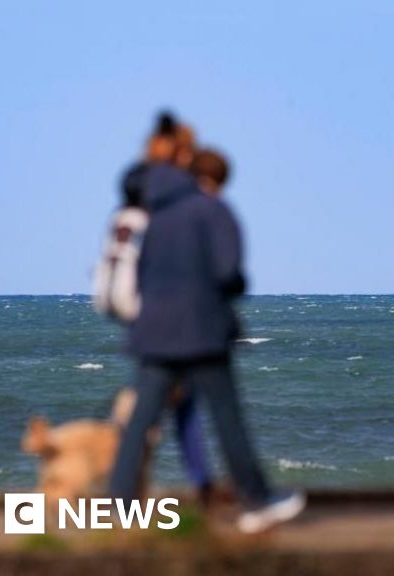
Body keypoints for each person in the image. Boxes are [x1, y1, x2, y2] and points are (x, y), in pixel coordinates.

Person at [109, 129, 304, 534]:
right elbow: (227, 273)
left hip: (154, 331)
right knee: (226, 416)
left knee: (140, 422)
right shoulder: (213, 210)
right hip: (200, 330)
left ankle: (118, 507)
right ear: (219, 179)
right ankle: (257, 501)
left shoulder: (156, 212)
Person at [96, 112, 214, 506]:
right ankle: (125, 495)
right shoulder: (163, 204)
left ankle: (194, 486)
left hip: (145, 321)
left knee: (177, 406)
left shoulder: (128, 204)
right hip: (166, 323)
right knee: (157, 409)